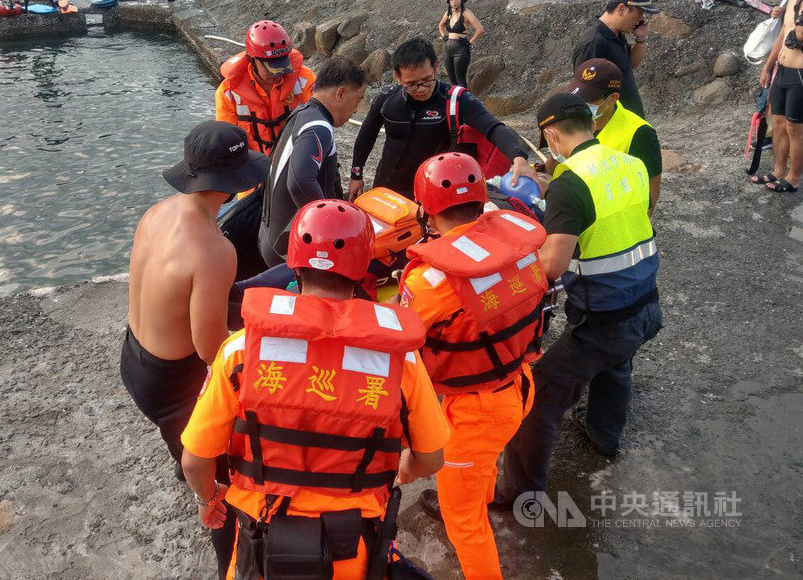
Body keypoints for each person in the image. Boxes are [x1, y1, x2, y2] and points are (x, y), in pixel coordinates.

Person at [181, 199, 450, 580]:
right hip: (351, 548)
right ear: (362, 269)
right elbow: (431, 458)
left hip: (262, 544)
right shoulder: (399, 361)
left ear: (294, 263)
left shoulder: (240, 351)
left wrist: (207, 499)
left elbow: (194, 460)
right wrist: (402, 472)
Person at [497, 94, 661, 508]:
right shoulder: (631, 164)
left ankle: (518, 496)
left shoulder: (571, 184)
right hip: (646, 307)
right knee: (616, 364)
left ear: (550, 135)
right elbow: (604, 207)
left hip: (602, 323)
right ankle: (603, 437)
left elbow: (552, 266)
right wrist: (551, 189)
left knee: (537, 399)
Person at [123, 120, 270, 579]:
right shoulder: (214, 249)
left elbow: (174, 294)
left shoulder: (158, 211)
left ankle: (181, 457)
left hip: (133, 356)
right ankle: (227, 553)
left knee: (181, 442)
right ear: (230, 185)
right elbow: (212, 351)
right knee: (219, 475)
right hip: (173, 382)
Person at [399, 153, 547, 580]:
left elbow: (405, 337)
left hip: (474, 411)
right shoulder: (517, 248)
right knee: (479, 472)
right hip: (518, 386)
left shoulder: (428, 282)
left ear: (426, 210)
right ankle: (470, 494)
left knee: (465, 525)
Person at [349, 38, 536, 202]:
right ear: (397, 76)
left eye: (426, 80)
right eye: (411, 84)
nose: (421, 89)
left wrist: (518, 157)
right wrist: (355, 175)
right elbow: (367, 135)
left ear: (436, 67)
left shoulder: (455, 99)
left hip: (432, 189)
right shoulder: (387, 99)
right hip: (386, 187)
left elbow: (493, 127)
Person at [258, 57, 368, 268]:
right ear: (341, 93)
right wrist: (332, 227)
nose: (356, 109)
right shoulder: (318, 127)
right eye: (358, 99)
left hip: (271, 236)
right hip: (287, 251)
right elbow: (300, 183)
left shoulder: (302, 113)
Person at [565, 58, 662, 212]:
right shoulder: (571, 119)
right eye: (577, 95)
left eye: (589, 99)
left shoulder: (640, 133)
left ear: (612, 98)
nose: (580, 103)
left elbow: (650, 193)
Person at [215, 20, 316, 156]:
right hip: (253, 165)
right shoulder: (229, 92)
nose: (278, 73)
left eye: (282, 64)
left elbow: (317, 125)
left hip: (295, 159)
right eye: (271, 67)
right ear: (252, 60)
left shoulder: (305, 80)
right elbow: (227, 140)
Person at [572, 0, 658, 118]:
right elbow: (586, 94)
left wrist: (641, 38)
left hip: (627, 123)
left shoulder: (615, 34)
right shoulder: (594, 43)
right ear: (622, 9)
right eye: (640, 12)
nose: (642, 18)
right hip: (613, 128)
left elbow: (630, 65)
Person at [757, 0, 803, 193]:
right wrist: (768, 66)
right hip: (782, 71)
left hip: (800, 76)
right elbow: (783, 38)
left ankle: (794, 177)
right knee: (778, 122)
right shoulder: (793, 1)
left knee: (796, 128)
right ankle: (778, 170)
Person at [438, 0, 484, 87]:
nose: (454, 2)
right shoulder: (448, 13)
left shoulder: (466, 13)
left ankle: (463, 101)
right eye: (452, 0)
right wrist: (444, 36)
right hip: (447, 48)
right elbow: (441, 25)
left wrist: (470, 42)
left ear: (462, 0)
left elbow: (480, 29)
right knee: (452, 80)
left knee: (460, 81)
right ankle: (453, 101)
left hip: (460, 49)